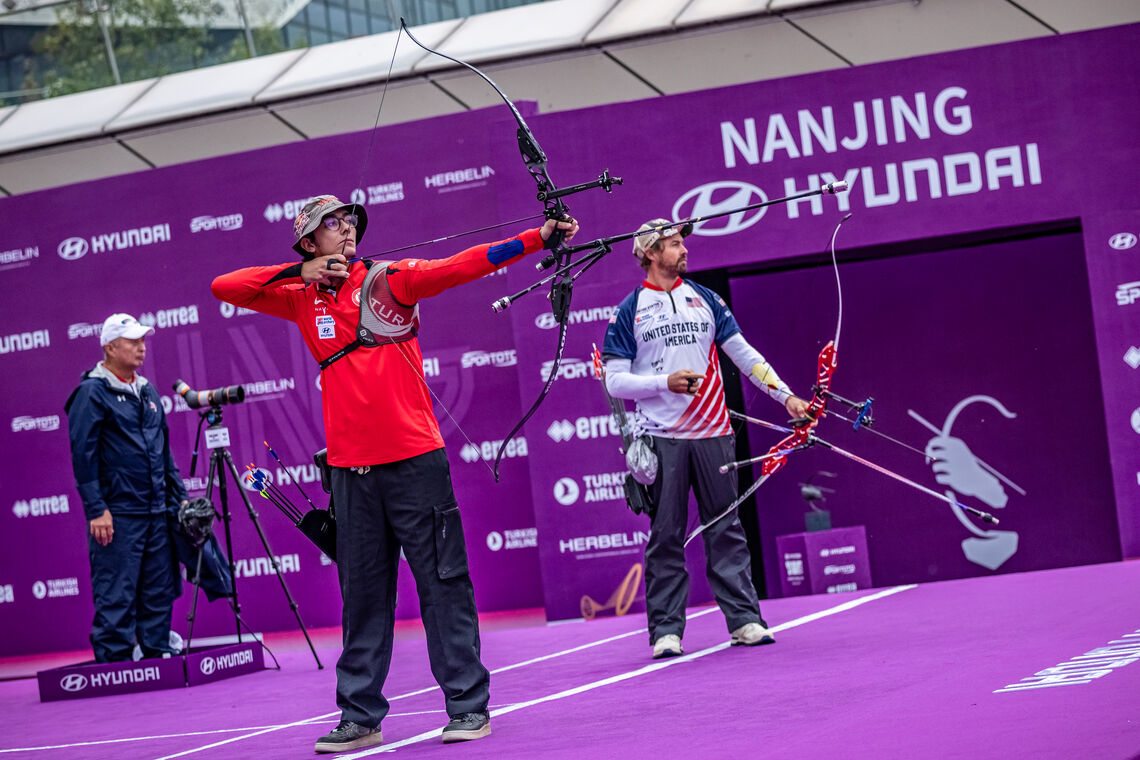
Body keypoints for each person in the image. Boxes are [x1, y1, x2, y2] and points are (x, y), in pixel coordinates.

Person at [210, 195, 577, 753]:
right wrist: (299, 271)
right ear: (309, 243)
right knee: (360, 595)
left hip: (413, 461)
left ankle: (468, 707)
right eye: (331, 225)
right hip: (350, 471)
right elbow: (225, 286)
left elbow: (463, 264)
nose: (347, 228)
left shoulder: (390, 280)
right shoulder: (301, 297)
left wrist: (538, 238)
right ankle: (360, 716)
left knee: (443, 584)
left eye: (349, 220)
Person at [601, 219, 812, 659]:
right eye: (675, 244)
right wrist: (665, 383)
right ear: (651, 253)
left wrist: (786, 397)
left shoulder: (706, 299)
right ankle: (665, 631)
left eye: (682, 243)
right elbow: (614, 380)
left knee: (727, 529)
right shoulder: (630, 309)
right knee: (666, 535)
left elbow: (743, 354)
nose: (684, 250)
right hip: (662, 439)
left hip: (715, 432)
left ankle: (745, 620)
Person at [65, 313, 188, 663]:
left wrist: (179, 502)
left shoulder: (147, 390)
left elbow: (163, 453)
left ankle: (156, 653)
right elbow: (82, 455)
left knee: (158, 590)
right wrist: (96, 509)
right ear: (109, 347)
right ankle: (114, 663)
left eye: (143, 341)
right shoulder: (91, 392)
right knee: (116, 591)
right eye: (133, 342)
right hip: (117, 514)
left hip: (156, 511)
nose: (141, 348)